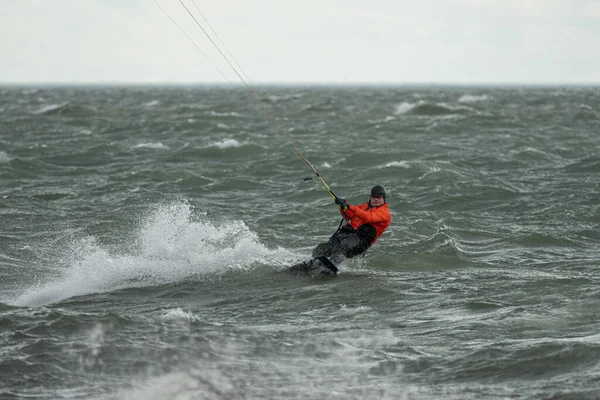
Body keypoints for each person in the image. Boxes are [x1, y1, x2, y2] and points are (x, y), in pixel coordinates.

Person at [312, 185, 392, 268]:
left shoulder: (385, 213)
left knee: (341, 248)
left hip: (360, 240)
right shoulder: (363, 207)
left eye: (378, 197)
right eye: (374, 197)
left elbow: (368, 217)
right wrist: (343, 205)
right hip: (347, 234)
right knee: (321, 249)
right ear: (370, 197)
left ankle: (332, 266)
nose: (376, 199)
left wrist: (349, 206)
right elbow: (348, 215)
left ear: (383, 199)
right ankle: (313, 265)